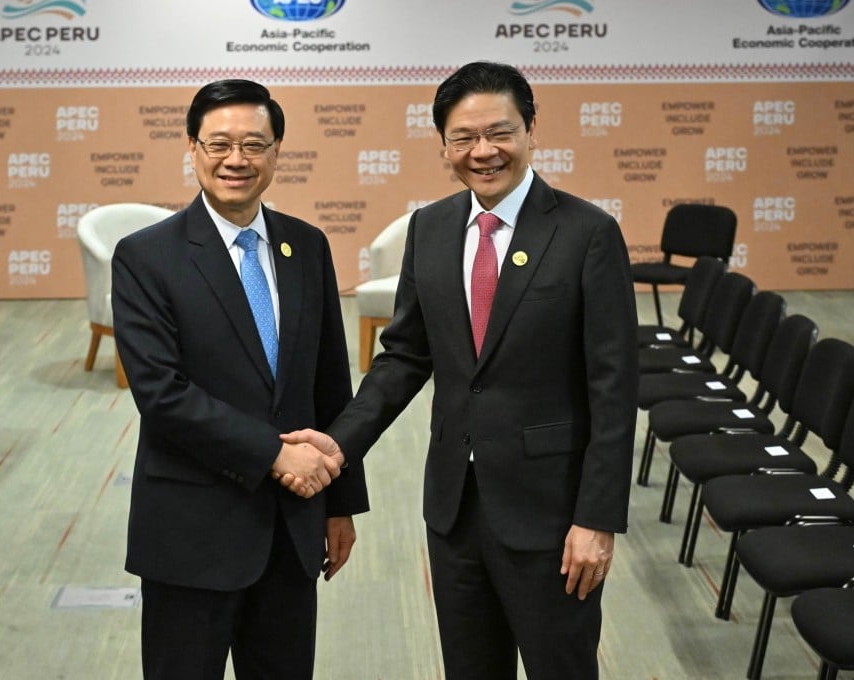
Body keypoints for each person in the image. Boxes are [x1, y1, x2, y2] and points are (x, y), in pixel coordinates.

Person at [280, 61, 638, 679]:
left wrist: (596, 519)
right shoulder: (431, 228)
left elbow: (613, 388)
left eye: (499, 133)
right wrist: (339, 444)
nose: (483, 151)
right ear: (443, 145)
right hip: (454, 508)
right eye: (464, 137)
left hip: (551, 515)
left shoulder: (588, 234)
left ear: (530, 130)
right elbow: (405, 355)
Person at [111, 79, 369, 680]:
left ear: (276, 152)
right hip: (191, 533)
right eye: (219, 144)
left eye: (254, 144)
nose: (236, 160)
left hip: (292, 528)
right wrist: (276, 455)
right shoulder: (147, 256)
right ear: (192, 149)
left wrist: (340, 505)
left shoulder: (307, 246)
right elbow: (161, 394)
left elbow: (331, 383)